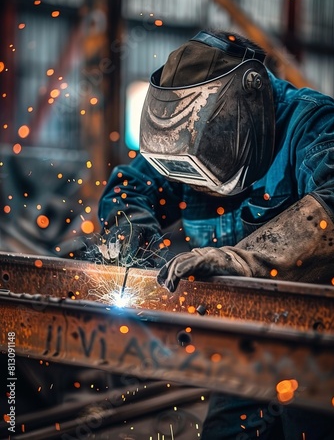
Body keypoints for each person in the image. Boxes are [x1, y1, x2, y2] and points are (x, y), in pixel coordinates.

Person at [98, 29, 334, 439]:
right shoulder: (187, 136)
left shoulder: (313, 125)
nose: (196, 186)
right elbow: (130, 187)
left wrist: (243, 260)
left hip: (322, 349)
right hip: (249, 349)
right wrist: (129, 238)